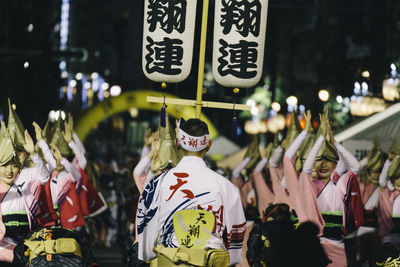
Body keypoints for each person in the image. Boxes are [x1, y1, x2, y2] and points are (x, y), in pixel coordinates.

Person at [137, 118, 246, 266]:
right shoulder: (227, 187)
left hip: (170, 261)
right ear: (209, 145)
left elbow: (146, 239)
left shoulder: (157, 183)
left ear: (177, 143)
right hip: (211, 261)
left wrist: (149, 252)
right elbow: (236, 238)